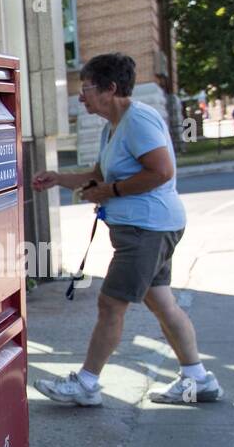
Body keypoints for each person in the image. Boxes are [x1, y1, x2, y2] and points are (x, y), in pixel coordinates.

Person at [31, 52, 221, 406]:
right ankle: (198, 378)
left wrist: (111, 192)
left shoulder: (139, 121)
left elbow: (160, 171)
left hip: (146, 229)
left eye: (85, 88)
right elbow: (99, 175)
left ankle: (87, 384)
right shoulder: (113, 127)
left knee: (110, 304)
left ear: (110, 89)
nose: (80, 96)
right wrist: (58, 178)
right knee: (163, 304)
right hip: (150, 227)